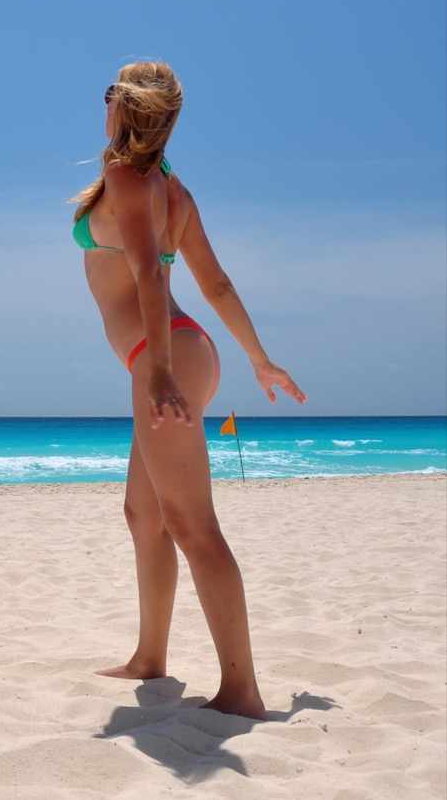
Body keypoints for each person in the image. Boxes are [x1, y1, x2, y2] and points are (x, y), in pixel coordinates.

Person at [73, 62, 305, 718]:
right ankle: (150, 656)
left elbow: (150, 273)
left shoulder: (130, 177)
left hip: (164, 357)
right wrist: (260, 361)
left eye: (109, 93)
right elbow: (218, 284)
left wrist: (162, 373)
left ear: (128, 108)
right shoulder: (171, 187)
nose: (103, 101)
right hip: (175, 352)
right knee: (144, 514)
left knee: (193, 525)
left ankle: (242, 691)